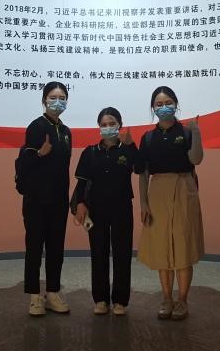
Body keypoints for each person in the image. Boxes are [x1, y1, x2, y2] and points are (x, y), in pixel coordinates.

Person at [136, 86, 204, 320]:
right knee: (161, 249)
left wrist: (196, 133)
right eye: (159, 104)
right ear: (153, 108)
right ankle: (166, 298)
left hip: (184, 189)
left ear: (176, 104)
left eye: (168, 103)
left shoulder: (186, 132)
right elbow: (143, 173)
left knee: (183, 248)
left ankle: (182, 301)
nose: (163, 107)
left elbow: (196, 159)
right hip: (157, 192)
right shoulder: (148, 138)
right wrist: (143, 203)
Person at [73, 107, 140, 316]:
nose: (108, 127)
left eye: (112, 123)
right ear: (99, 127)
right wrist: (80, 204)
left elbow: (139, 168)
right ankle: (101, 299)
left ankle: (120, 301)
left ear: (120, 125)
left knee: (122, 254)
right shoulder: (90, 152)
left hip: (122, 208)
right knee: (98, 253)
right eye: (103, 124)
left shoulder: (127, 150)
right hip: (97, 209)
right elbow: (82, 183)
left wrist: (132, 145)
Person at [21, 82, 72, 316]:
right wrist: (39, 155)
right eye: (53, 97)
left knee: (56, 248)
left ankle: (52, 292)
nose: (57, 102)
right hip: (36, 199)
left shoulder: (67, 132)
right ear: (44, 100)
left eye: (62, 98)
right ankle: (34, 296)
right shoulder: (36, 127)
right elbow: (25, 164)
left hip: (59, 199)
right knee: (34, 247)